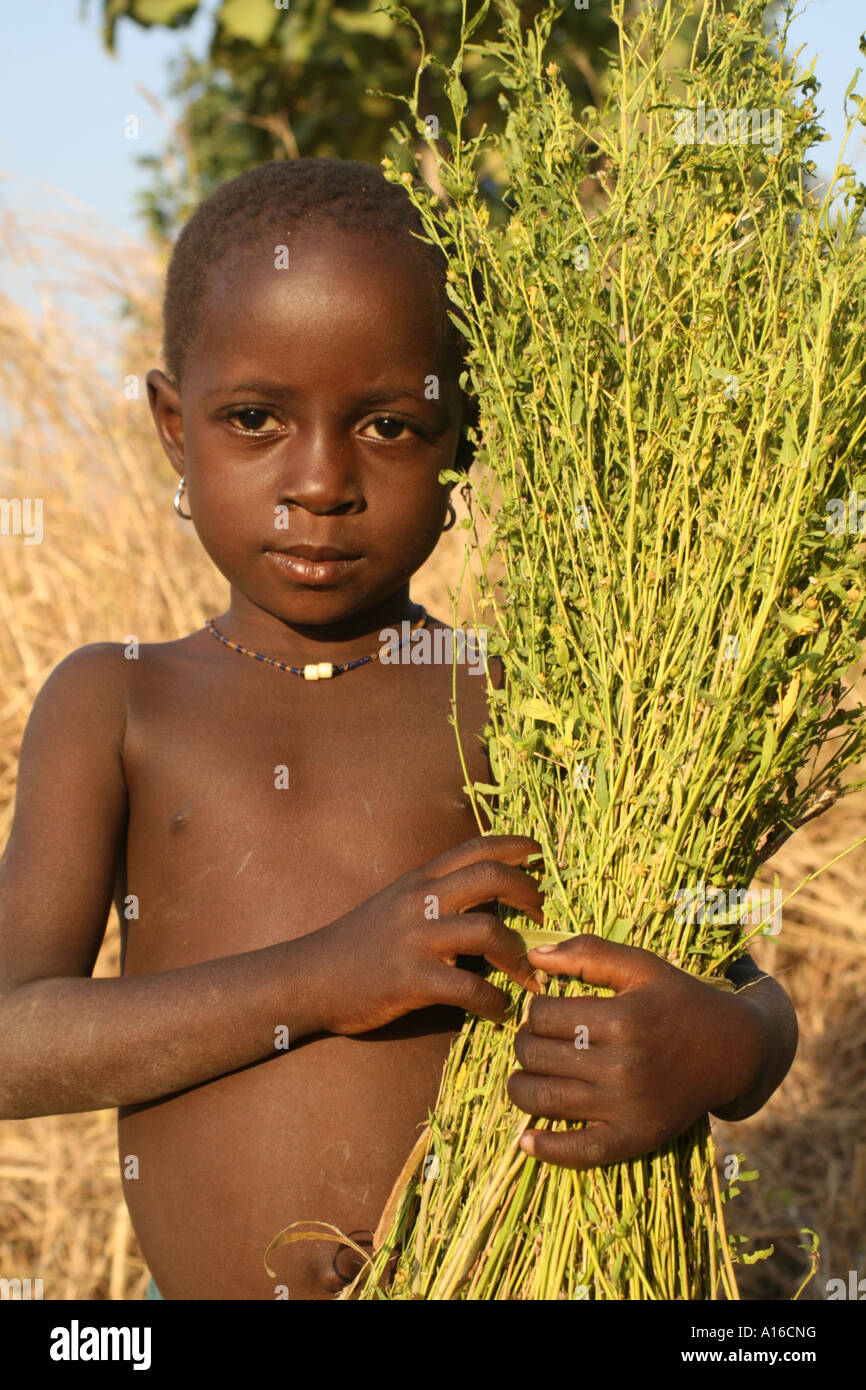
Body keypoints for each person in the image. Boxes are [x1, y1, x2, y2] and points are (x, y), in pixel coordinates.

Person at [0, 160, 797, 1301]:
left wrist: (722, 1049)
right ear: (175, 428)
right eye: (255, 419)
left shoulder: (529, 701)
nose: (320, 483)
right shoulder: (118, 703)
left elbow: (749, 991)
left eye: (388, 424)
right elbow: (10, 1040)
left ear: (460, 443)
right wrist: (324, 978)